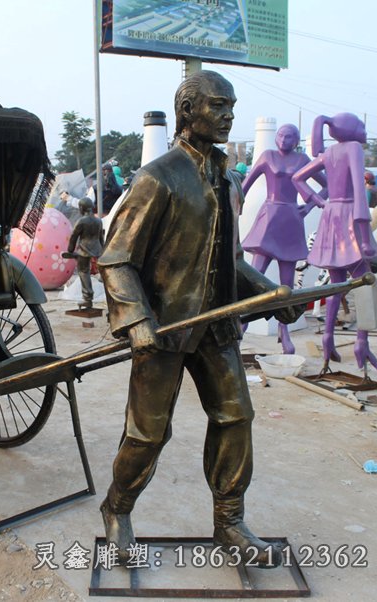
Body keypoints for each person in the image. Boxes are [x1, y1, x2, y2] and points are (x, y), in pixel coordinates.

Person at [98, 70, 302, 567]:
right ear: (188, 111)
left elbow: (230, 262)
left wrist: (272, 295)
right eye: (217, 105)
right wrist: (136, 319)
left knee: (236, 417)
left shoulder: (228, 180)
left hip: (216, 326)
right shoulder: (158, 177)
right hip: (164, 328)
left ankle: (229, 522)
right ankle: (118, 510)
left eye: (231, 105)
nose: (228, 114)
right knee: (148, 432)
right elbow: (117, 258)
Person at [292, 113, 377, 373]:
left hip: (331, 217)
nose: (365, 131)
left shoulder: (329, 153)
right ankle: (361, 343)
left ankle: (327, 341)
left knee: (336, 284)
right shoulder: (353, 148)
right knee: (364, 284)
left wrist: (319, 202)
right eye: (362, 126)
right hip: (350, 220)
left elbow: (297, 178)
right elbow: (359, 189)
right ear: (352, 130)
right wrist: (364, 235)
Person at [240, 124, 327, 354]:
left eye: (289, 136)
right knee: (253, 277)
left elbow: (326, 185)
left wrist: (308, 207)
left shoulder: (302, 159)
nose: (283, 139)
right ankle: (242, 324)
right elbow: (245, 185)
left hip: (290, 220)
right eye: (280, 134)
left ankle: (283, 329)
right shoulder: (267, 156)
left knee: (286, 283)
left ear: (296, 140)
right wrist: (235, 206)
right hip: (268, 218)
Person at [65, 197, 104, 308]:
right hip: (97, 249)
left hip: (84, 250)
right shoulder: (98, 221)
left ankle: (87, 298)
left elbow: (74, 236)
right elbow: (101, 238)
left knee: (83, 272)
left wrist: (70, 250)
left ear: (82, 208)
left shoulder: (82, 221)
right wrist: (104, 250)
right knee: (103, 272)